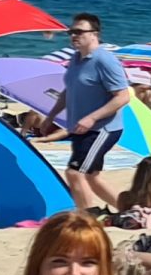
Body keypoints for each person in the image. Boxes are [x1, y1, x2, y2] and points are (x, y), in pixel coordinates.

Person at [55, 13, 134, 211]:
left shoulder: (104, 60)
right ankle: (129, 211)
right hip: (81, 129)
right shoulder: (75, 59)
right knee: (92, 176)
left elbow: (123, 96)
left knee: (75, 173)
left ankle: (87, 218)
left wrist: (92, 118)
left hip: (103, 129)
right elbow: (69, 89)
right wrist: (50, 117)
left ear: (94, 34)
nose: (74, 35)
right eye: (71, 32)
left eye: (79, 32)